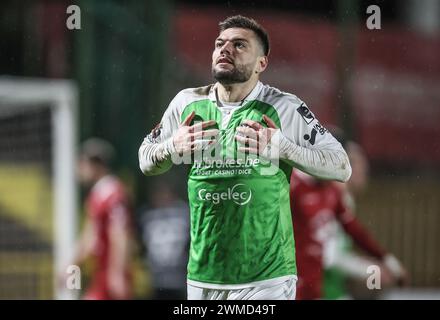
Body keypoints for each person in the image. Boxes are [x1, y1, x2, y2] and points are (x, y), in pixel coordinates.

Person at [138, 15, 352, 300]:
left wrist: (284, 149)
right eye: (220, 44)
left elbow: (341, 166)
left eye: (239, 45)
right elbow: (145, 160)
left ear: (261, 64)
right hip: (203, 275)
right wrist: (172, 147)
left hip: (267, 277)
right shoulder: (186, 103)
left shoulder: (284, 107)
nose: (225, 50)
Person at [290, 138, 407, 300]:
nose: (362, 172)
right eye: (357, 165)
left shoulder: (334, 194)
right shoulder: (295, 187)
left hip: (320, 285)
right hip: (304, 282)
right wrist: (368, 269)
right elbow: (331, 256)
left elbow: (354, 232)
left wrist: (385, 260)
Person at [64, 138, 134, 300]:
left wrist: (117, 273)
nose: (79, 169)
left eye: (82, 163)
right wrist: (72, 264)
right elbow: (90, 237)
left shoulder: (114, 193)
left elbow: (120, 234)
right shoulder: (98, 194)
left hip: (112, 273)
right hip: (101, 274)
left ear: (95, 165)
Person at [138, 179, 190, 300]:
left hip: (180, 279)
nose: (161, 197)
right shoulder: (146, 215)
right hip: (155, 280)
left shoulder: (183, 212)